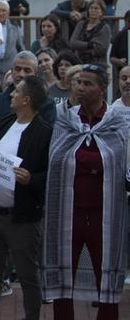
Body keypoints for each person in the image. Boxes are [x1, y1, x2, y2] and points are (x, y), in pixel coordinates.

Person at [43, 64, 128, 318]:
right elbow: (56, 158)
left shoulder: (116, 122)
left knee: (106, 278)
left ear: (103, 88)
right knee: (63, 276)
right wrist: (93, 163)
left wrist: (85, 161)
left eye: (88, 83)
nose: (80, 88)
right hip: (68, 213)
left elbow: (116, 160)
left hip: (106, 215)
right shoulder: (65, 119)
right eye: (78, 82)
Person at [0, 74, 51, 320]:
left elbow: (52, 175)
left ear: (26, 100)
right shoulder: (7, 120)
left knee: (28, 276)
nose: (11, 94)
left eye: (16, 92)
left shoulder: (44, 132)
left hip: (22, 219)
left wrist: (31, 179)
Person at [0, 52, 56, 127]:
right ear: (12, 71)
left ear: (36, 74)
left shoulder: (46, 103)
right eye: (17, 69)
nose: (21, 74)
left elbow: (46, 134)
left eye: (27, 71)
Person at [69, 0, 111, 67]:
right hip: (79, 63)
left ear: (102, 12)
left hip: (97, 64)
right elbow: (73, 43)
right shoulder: (81, 24)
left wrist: (80, 48)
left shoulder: (105, 27)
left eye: (96, 8)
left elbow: (101, 49)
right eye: (91, 8)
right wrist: (90, 45)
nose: (93, 10)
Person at [0, 0, 24, 78]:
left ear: (8, 13)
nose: (1, 13)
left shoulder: (15, 27)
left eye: (4, 10)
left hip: (9, 70)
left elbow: (20, 48)